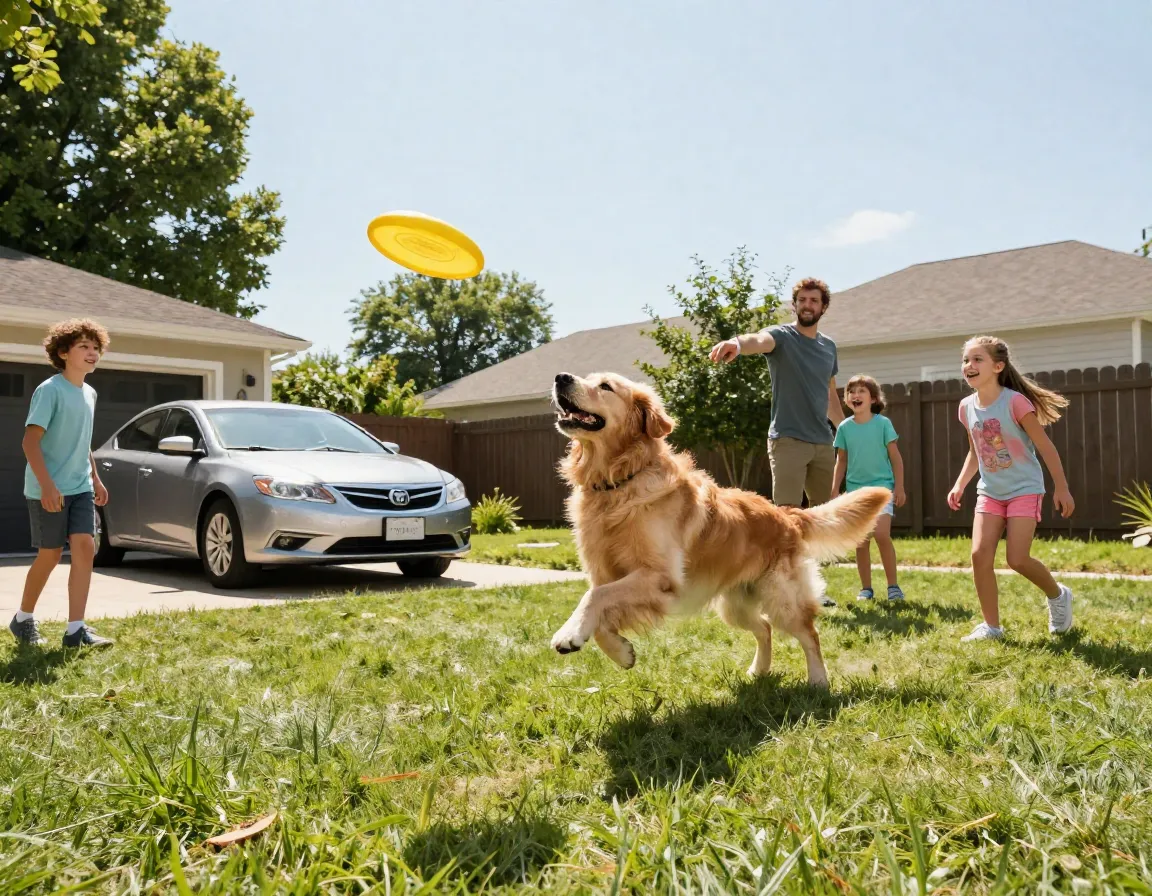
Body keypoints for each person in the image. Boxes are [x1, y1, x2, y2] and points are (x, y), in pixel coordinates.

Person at [709, 277, 845, 605]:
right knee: (785, 516)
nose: (807, 305)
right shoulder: (784, 337)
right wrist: (738, 344)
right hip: (788, 440)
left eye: (814, 301)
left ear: (823, 307)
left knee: (824, 517)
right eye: (802, 300)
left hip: (823, 442)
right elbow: (760, 339)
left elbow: (830, 397)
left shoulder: (829, 347)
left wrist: (847, 433)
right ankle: (784, 588)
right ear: (795, 305)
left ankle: (811, 586)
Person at [947, 335, 1074, 642]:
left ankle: (1058, 596)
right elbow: (976, 451)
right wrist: (961, 483)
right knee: (979, 554)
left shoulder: (1015, 402)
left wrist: (1062, 488)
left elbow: (1045, 447)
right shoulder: (966, 407)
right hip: (990, 491)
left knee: (1017, 559)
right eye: (966, 360)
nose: (969, 365)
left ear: (998, 366)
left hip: (1024, 489)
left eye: (978, 360)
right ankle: (991, 627)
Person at [9, 319, 114, 649]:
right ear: (63, 352)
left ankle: (75, 630)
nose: (92, 352)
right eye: (84, 346)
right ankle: (23, 618)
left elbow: (83, 441)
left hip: (80, 486)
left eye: (96, 347)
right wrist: (48, 485)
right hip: (47, 488)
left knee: (85, 547)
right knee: (50, 555)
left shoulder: (90, 393)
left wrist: (95, 477)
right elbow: (30, 442)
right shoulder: (50, 390)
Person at [831, 375, 906, 601]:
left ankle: (893, 587)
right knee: (861, 541)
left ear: (873, 399)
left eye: (861, 391)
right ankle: (866, 588)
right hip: (855, 492)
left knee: (882, 534)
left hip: (882, 488)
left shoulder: (883, 424)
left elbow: (896, 458)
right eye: (851, 391)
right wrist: (835, 491)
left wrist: (899, 487)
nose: (855, 395)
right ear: (846, 400)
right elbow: (841, 461)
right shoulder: (844, 428)